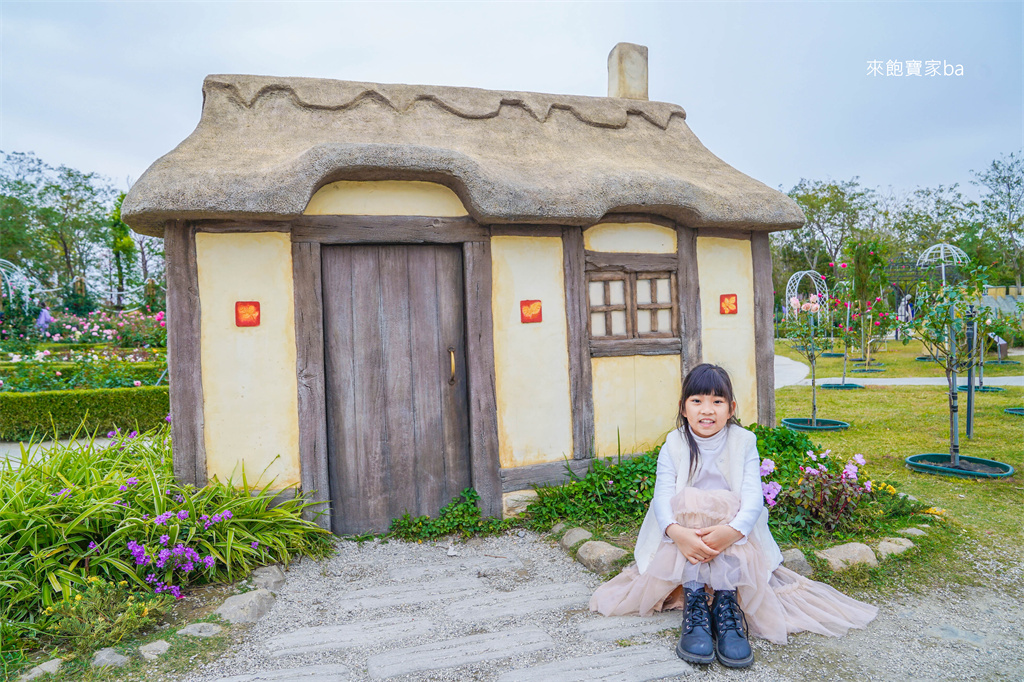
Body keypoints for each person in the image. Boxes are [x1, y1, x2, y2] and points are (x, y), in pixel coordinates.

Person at [590, 363, 877, 669]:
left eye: (717, 401)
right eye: (697, 401)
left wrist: (732, 531)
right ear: (683, 408)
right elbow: (661, 498)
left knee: (730, 502)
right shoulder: (674, 443)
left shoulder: (743, 441)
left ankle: (726, 604)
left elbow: (753, 498)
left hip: (733, 534)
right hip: (685, 535)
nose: (707, 410)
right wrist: (677, 533)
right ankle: (696, 601)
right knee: (688, 499)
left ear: (731, 408)